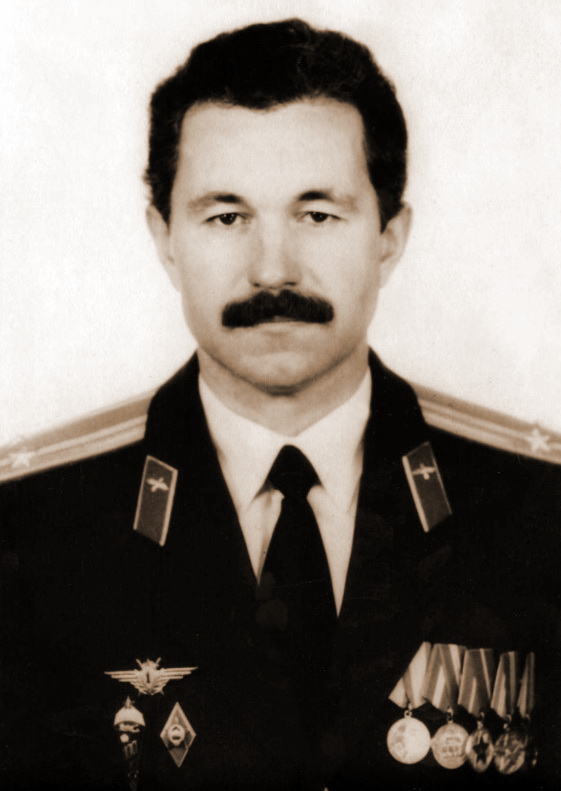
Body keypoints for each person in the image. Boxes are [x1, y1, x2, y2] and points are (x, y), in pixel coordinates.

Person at [1, 17, 561, 791]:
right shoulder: (30, 525)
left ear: (389, 235)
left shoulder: (536, 508)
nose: (272, 270)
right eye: (226, 216)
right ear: (164, 237)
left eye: (317, 214)